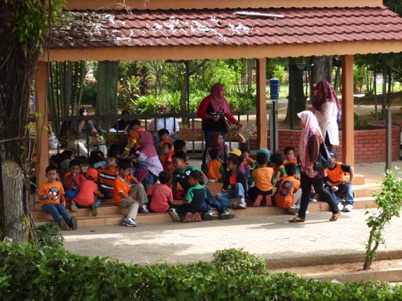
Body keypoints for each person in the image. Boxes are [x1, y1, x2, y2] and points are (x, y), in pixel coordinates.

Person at [289, 110, 340, 223]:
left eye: (300, 119)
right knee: (306, 191)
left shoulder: (314, 133)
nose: (299, 121)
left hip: (314, 167)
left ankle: (335, 210)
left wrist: (311, 167)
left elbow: (315, 152)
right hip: (305, 166)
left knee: (320, 189)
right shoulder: (306, 131)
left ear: (306, 119)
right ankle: (301, 216)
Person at [171, 151, 233, 220]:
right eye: (173, 162)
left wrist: (204, 184)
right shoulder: (175, 173)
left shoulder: (191, 168)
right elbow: (174, 186)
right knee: (200, 202)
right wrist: (172, 197)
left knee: (211, 200)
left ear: (182, 161)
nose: (174, 164)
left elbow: (203, 175)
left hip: (201, 189)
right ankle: (209, 212)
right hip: (192, 193)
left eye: (176, 162)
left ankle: (224, 210)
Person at [197, 82, 243, 165]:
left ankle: (221, 166)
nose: (223, 92)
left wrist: (236, 122)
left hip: (221, 128)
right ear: (216, 91)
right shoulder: (207, 100)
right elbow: (200, 113)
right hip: (210, 128)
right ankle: (207, 166)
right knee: (210, 147)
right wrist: (211, 117)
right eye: (222, 90)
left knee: (221, 147)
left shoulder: (223, 101)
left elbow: (228, 114)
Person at [39, 165, 77, 230]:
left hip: (57, 203)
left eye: (53, 174)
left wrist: (64, 201)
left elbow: (61, 194)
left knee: (61, 208)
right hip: (46, 204)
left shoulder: (59, 184)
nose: (52, 176)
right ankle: (60, 221)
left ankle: (70, 222)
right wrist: (46, 196)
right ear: (46, 176)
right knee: (52, 208)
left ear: (57, 175)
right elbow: (40, 197)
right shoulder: (44, 185)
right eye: (49, 174)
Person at [113, 159, 149, 227]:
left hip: (128, 196)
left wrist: (131, 175)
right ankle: (129, 219)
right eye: (127, 171)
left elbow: (137, 182)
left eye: (130, 170)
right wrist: (134, 200)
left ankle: (143, 205)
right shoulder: (117, 180)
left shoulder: (126, 176)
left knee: (140, 185)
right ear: (121, 170)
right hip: (121, 199)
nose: (128, 172)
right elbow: (122, 195)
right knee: (135, 203)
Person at [310, 80, 341, 152]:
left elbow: (326, 116)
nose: (315, 92)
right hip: (323, 128)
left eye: (317, 90)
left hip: (327, 130)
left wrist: (314, 111)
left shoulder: (328, 102)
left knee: (326, 151)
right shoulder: (323, 101)